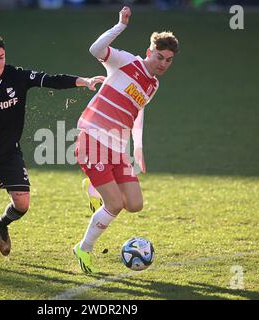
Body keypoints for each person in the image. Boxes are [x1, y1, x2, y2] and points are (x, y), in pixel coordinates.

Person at [0, 33, 104, 266]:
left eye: (2, 57)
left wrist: (84, 81)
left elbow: (51, 80)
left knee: (22, 205)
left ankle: (2, 224)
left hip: (8, 151)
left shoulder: (17, 76)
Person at [73, 6, 179, 274]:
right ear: (149, 52)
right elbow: (96, 50)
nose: (163, 63)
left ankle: (95, 187)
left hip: (118, 147)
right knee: (115, 205)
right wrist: (120, 26)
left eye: (168, 60)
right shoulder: (126, 62)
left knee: (134, 204)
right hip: (93, 137)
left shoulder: (153, 85)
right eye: (159, 57)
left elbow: (136, 113)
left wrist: (138, 147)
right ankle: (83, 248)